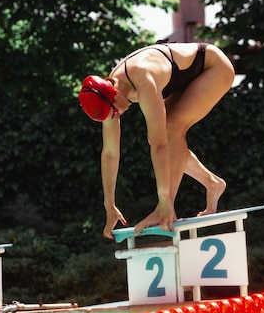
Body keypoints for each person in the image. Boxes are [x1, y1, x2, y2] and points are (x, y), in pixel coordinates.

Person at [78, 40, 235, 239]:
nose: (117, 116)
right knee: (170, 132)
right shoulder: (107, 94)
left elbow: (158, 145)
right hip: (181, 77)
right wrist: (109, 204)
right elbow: (110, 152)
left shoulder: (143, 78)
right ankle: (213, 184)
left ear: (115, 93)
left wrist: (164, 201)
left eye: (115, 111)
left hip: (212, 67)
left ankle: (167, 205)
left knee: (172, 129)